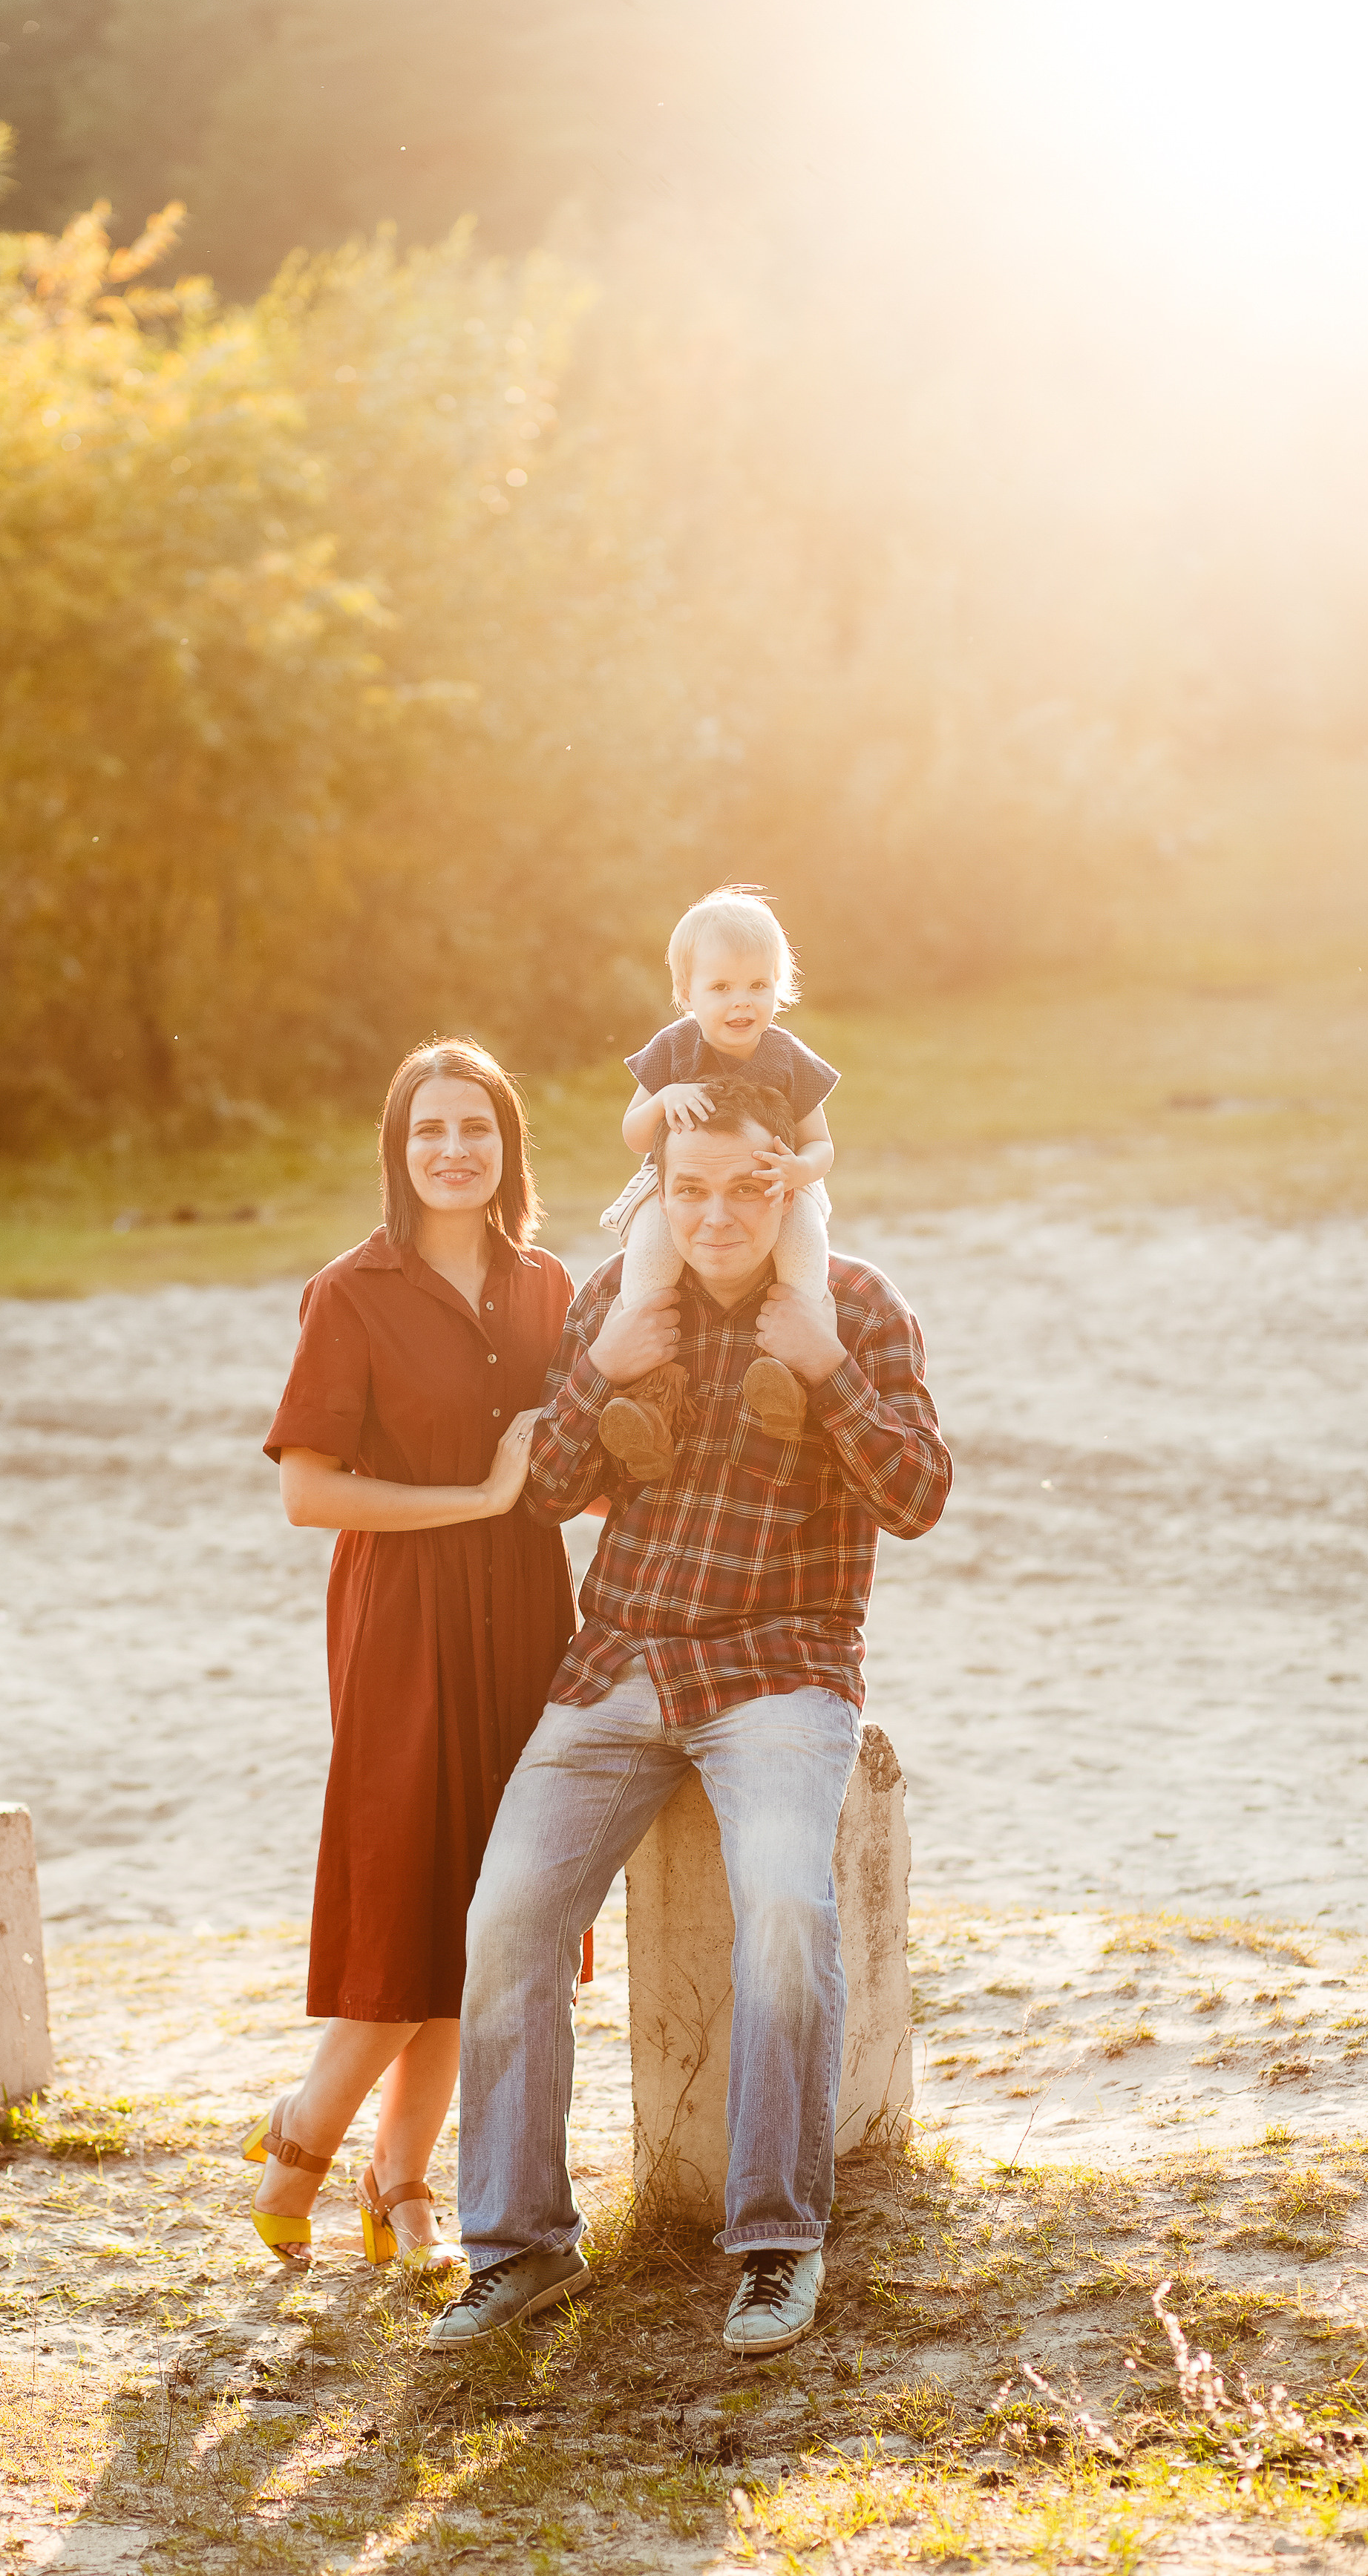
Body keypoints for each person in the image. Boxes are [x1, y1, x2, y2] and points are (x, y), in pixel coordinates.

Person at [425, 1081, 952, 2357]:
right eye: (690, 1189)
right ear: (658, 1188)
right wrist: (602, 1370)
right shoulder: (618, 1300)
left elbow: (919, 1495)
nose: (717, 1215)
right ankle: (520, 2247)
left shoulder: (857, 1307)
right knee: (505, 1922)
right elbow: (547, 1494)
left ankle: (777, 2243)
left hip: (779, 1671)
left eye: (748, 1190)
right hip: (617, 1667)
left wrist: (824, 1373)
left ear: (793, 1191)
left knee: (782, 1905)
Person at [253, 1038, 577, 2275]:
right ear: (399, 1148)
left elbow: (565, 1469)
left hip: (523, 1616)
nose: (454, 1150)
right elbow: (307, 1495)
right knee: (406, 1902)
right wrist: (481, 1496)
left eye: (477, 1129)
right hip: (402, 1618)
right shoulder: (352, 1291)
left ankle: (403, 2185)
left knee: (489, 1914)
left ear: (508, 1149)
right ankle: (305, 2133)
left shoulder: (549, 1284)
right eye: (429, 1129)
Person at [596, 885, 838, 1480]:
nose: (742, 1003)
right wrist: (664, 1101)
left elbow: (821, 1144)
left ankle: (792, 1377)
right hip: (675, 1189)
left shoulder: (786, 1057)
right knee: (649, 1260)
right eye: (722, 988)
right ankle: (649, 1400)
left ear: (779, 987)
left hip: (774, 1184)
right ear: (688, 994)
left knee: (806, 1245)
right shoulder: (673, 1050)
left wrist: (799, 1172)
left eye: (759, 986)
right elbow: (632, 1133)